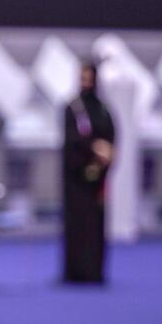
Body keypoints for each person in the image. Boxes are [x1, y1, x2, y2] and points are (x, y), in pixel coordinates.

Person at [62, 61, 115, 284]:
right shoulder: (73, 108)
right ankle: (75, 272)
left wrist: (106, 155)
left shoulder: (103, 109)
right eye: (82, 78)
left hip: (98, 179)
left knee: (96, 225)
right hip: (76, 179)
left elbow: (112, 135)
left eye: (89, 78)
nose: (86, 83)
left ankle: (95, 271)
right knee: (77, 225)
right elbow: (72, 139)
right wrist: (92, 147)